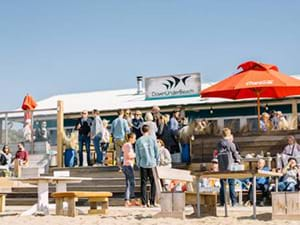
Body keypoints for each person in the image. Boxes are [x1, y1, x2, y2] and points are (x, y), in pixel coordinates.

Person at [135, 125, 159, 207]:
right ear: (148, 131)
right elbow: (157, 151)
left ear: (142, 131)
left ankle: (144, 202)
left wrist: (138, 163)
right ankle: (152, 202)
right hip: (152, 163)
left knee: (143, 183)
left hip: (143, 163)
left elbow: (137, 154)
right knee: (153, 183)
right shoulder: (152, 139)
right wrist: (157, 161)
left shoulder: (138, 141)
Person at [217, 128, 240, 207]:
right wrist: (238, 160)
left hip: (221, 166)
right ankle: (233, 202)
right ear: (229, 134)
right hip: (230, 166)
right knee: (231, 184)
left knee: (222, 185)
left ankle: (222, 202)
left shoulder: (219, 143)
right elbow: (235, 153)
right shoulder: (231, 144)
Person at [122, 133, 139, 207]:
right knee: (131, 183)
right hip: (128, 165)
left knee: (129, 182)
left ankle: (129, 199)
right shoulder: (128, 145)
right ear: (130, 138)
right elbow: (129, 155)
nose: (135, 140)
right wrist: (136, 155)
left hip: (127, 165)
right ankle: (129, 199)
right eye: (134, 138)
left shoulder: (126, 145)